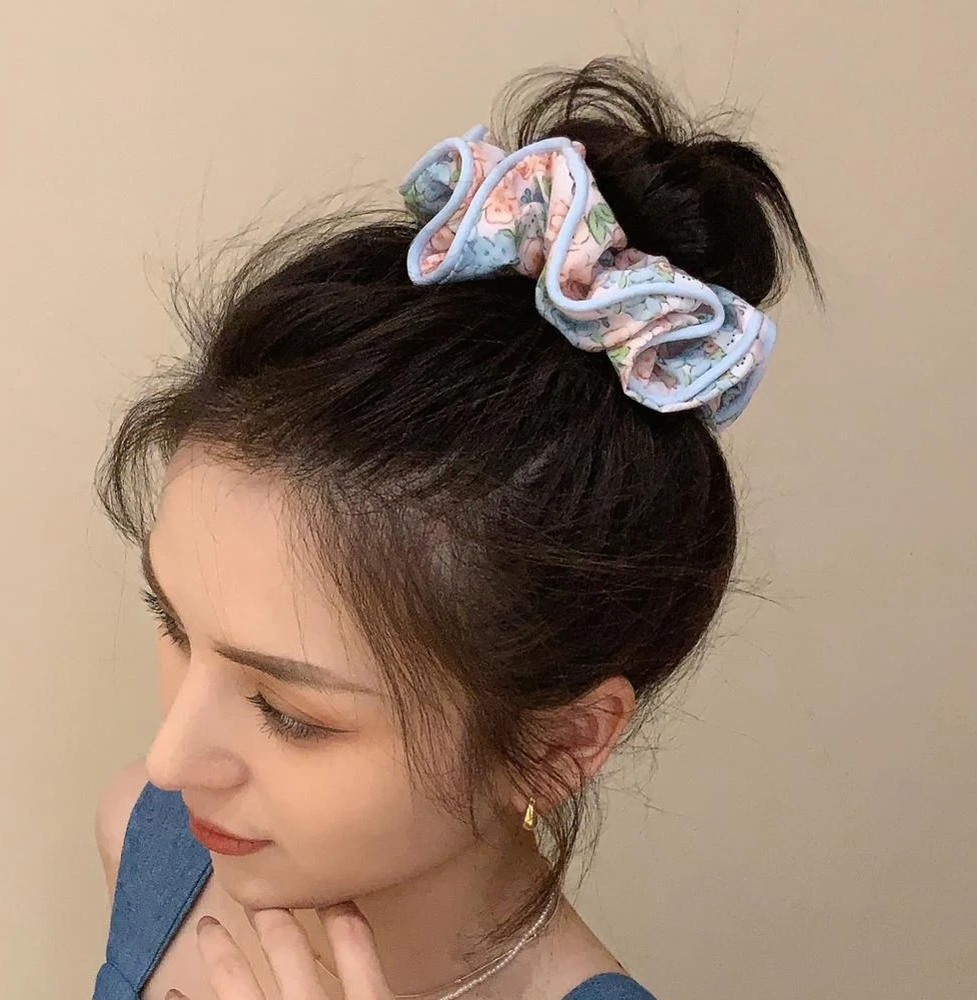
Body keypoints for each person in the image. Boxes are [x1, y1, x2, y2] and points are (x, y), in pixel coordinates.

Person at [91, 55, 819, 1000]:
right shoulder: (147, 843)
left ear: (558, 745)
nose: (169, 761)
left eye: (289, 713)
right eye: (174, 626)